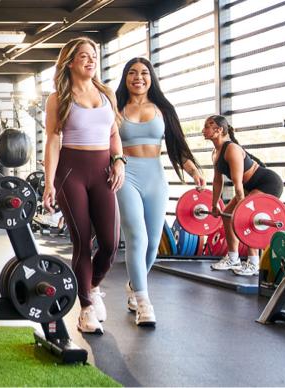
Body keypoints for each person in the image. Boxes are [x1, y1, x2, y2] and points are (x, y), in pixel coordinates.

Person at [41, 37, 124, 335]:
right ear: (70, 62)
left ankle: (92, 286)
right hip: (70, 173)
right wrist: (49, 183)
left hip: (103, 172)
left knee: (110, 243)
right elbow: (53, 141)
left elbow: (113, 134)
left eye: (93, 55)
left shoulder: (107, 94)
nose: (91, 61)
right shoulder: (58, 98)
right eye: (84, 56)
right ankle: (86, 308)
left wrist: (119, 161)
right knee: (82, 240)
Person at [114, 58, 205, 327]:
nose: (138, 77)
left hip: (155, 177)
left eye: (144, 73)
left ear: (151, 78)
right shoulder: (115, 108)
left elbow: (177, 146)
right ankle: (144, 303)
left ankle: (135, 284)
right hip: (126, 176)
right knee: (137, 238)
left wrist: (194, 171)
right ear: (125, 78)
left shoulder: (163, 109)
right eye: (132, 73)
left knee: (153, 242)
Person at [203, 115, 284, 276]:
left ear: (219, 130)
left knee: (246, 217)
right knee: (226, 215)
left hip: (267, 183)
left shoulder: (231, 149)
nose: (203, 130)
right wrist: (214, 204)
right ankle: (233, 258)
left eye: (207, 126)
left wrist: (244, 209)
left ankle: (253, 263)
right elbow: (217, 181)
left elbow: (237, 182)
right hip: (248, 187)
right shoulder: (215, 152)